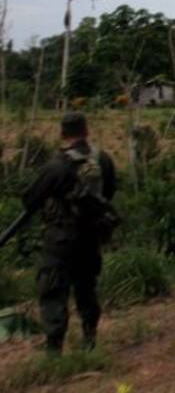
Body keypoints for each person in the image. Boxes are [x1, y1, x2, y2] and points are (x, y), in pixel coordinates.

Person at [21, 112, 117, 353]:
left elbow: (30, 199)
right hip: (91, 237)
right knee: (86, 288)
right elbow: (110, 192)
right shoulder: (103, 160)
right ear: (86, 131)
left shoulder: (56, 166)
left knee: (53, 290)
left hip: (60, 239)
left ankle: (54, 349)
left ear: (62, 134)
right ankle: (89, 339)